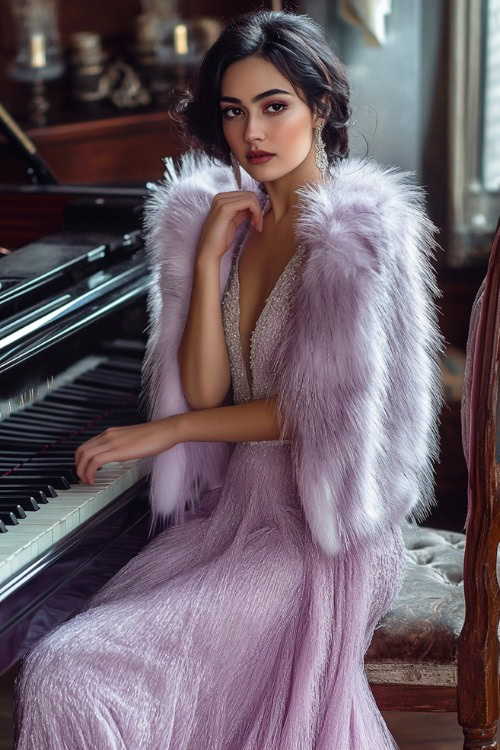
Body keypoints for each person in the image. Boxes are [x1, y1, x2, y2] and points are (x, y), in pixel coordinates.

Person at [13, 9, 445, 749]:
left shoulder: (361, 239)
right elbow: (209, 389)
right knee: (58, 662)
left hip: (321, 535)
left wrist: (169, 429)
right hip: (234, 514)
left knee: (69, 670)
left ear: (321, 107)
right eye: (235, 111)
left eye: (276, 107)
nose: (253, 133)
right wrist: (210, 250)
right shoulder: (226, 223)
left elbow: (320, 417)